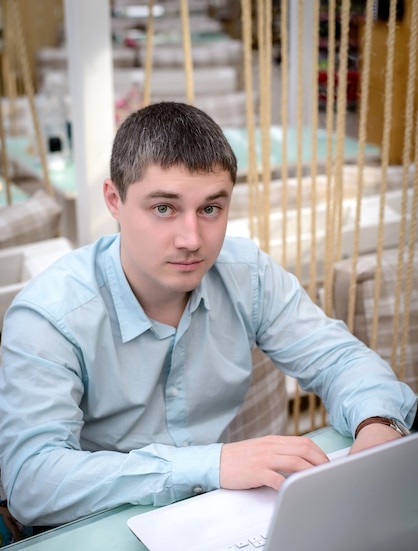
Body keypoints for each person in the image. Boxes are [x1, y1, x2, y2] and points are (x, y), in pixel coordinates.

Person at [0, 102, 416, 528]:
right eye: (164, 208)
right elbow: (30, 480)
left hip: (218, 519)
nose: (191, 239)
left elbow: (338, 359)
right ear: (114, 199)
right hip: (96, 534)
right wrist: (210, 466)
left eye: (210, 209)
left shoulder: (246, 274)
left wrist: (378, 424)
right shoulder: (49, 317)